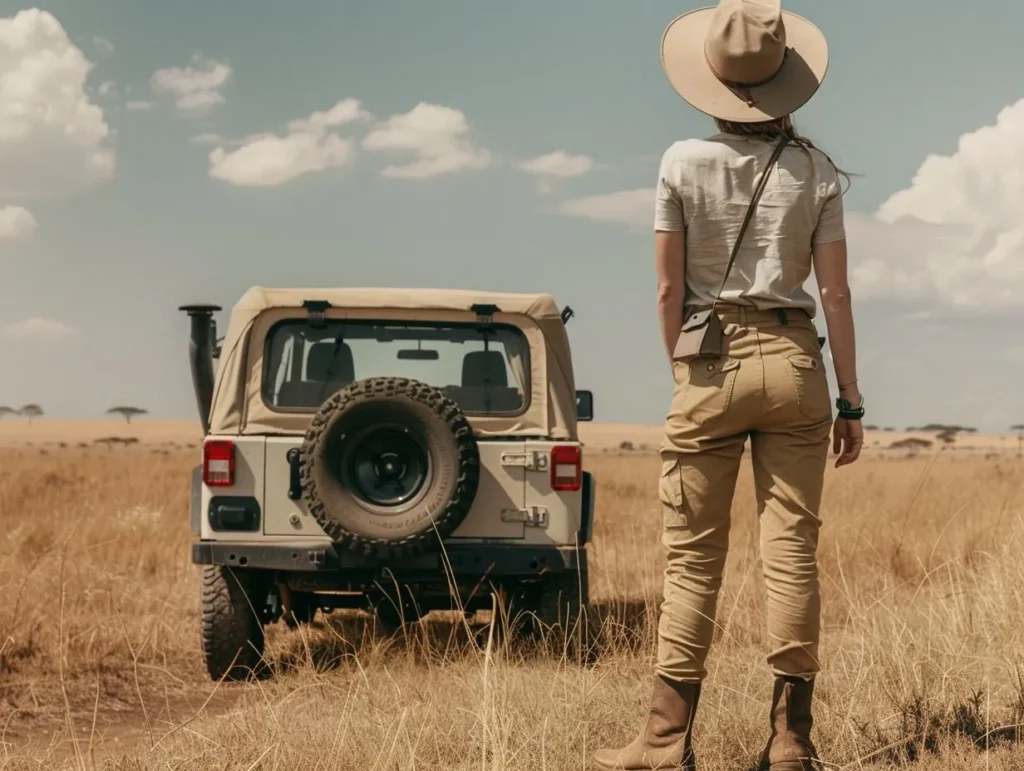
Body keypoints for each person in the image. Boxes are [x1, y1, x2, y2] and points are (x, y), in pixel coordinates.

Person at [592, 2, 863, 770]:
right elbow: (837, 297)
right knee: (792, 554)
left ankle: (665, 738)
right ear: (785, 84)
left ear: (711, 80)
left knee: (692, 557)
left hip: (707, 361)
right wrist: (852, 399)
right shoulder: (817, 171)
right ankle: (790, 738)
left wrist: (684, 371)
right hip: (796, 359)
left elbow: (665, 293)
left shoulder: (681, 162)